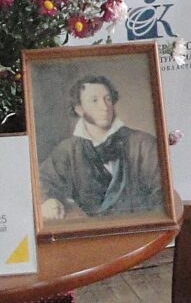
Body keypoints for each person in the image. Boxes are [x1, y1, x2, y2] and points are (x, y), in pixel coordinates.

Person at [39, 75, 164, 220]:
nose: (104, 107)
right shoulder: (67, 150)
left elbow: (162, 193)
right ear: (79, 109)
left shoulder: (144, 144)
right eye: (94, 100)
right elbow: (42, 182)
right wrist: (47, 201)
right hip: (92, 229)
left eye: (108, 99)